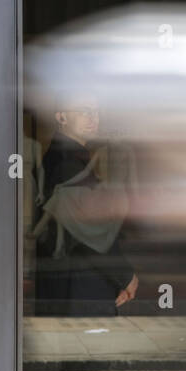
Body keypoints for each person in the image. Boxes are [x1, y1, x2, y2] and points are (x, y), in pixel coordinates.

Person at [30, 92, 138, 316]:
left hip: (73, 286)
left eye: (96, 112)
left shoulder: (66, 159)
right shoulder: (66, 164)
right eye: (84, 111)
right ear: (61, 117)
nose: (93, 118)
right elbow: (91, 230)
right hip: (78, 289)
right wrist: (126, 276)